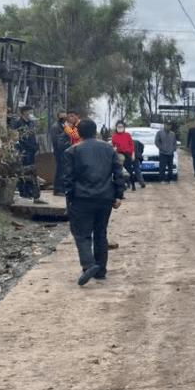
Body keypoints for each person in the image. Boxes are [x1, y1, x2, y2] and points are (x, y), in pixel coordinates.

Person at [58, 119, 125, 286]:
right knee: (100, 233)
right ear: (95, 131)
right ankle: (100, 271)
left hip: (82, 198)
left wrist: (70, 199)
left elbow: (68, 179)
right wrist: (118, 195)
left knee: (81, 234)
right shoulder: (108, 148)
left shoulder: (72, 151)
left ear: (78, 133)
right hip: (105, 198)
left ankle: (89, 265)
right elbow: (118, 172)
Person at [11, 105, 44, 202]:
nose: (31, 114)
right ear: (24, 112)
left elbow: (33, 135)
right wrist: (28, 146)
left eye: (32, 112)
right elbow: (18, 138)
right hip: (23, 151)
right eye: (29, 112)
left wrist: (35, 146)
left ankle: (30, 191)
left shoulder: (31, 123)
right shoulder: (18, 123)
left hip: (31, 151)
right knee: (23, 171)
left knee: (31, 171)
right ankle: (23, 191)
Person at [110, 121, 140, 191]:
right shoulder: (114, 136)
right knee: (119, 171)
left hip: (127, 154)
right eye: (118, 127)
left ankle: (132, 185)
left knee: (129, 170)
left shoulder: (127, 135)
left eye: (121, 127)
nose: (120, 128)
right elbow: (113, 145)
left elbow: (131, 145)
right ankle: (123, 185)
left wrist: (132, 154)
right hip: (118, 155)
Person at [48, 111, 70, 196]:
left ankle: (63, 189)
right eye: (62, 117)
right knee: (60, 169)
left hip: (65, 151)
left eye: (65, 116)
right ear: (58, 117)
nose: (64, 118)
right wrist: (65, 133)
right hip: (59, 151)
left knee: (64, 170)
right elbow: (57, 141)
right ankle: (58, 189)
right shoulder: (55, 127)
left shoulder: (64, 126)